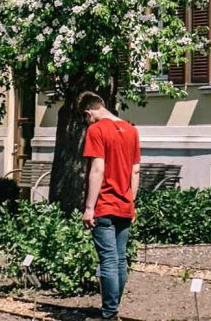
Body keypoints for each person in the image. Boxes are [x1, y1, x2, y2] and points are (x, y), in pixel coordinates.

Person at [79, 91, 141, 321]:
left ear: (89, 112)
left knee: (108, 260)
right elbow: (135, 171)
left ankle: (108, 314)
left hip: (104, 206)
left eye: (85, 119)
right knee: (120, 259)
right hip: (125, 205)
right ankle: (112, 309)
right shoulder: (132, 130)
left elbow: (97, 169)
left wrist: (89, 208)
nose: (86, 123)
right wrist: (130, 201)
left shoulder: (96, 130)